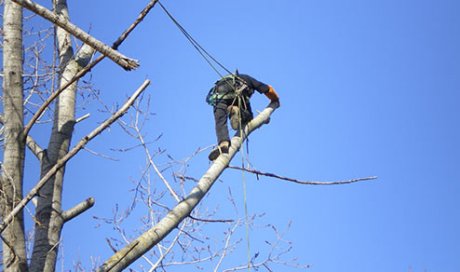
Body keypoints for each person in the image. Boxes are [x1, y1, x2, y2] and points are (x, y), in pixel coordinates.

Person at [206, 72, 280, 161]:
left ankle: (223, 143)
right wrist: (275, 99)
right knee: (248, 119)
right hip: (237, 95)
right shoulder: (247, 78)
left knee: (220, 121)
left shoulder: (224, 81)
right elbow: (266, 89)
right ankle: (237, 111)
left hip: (218, 97)